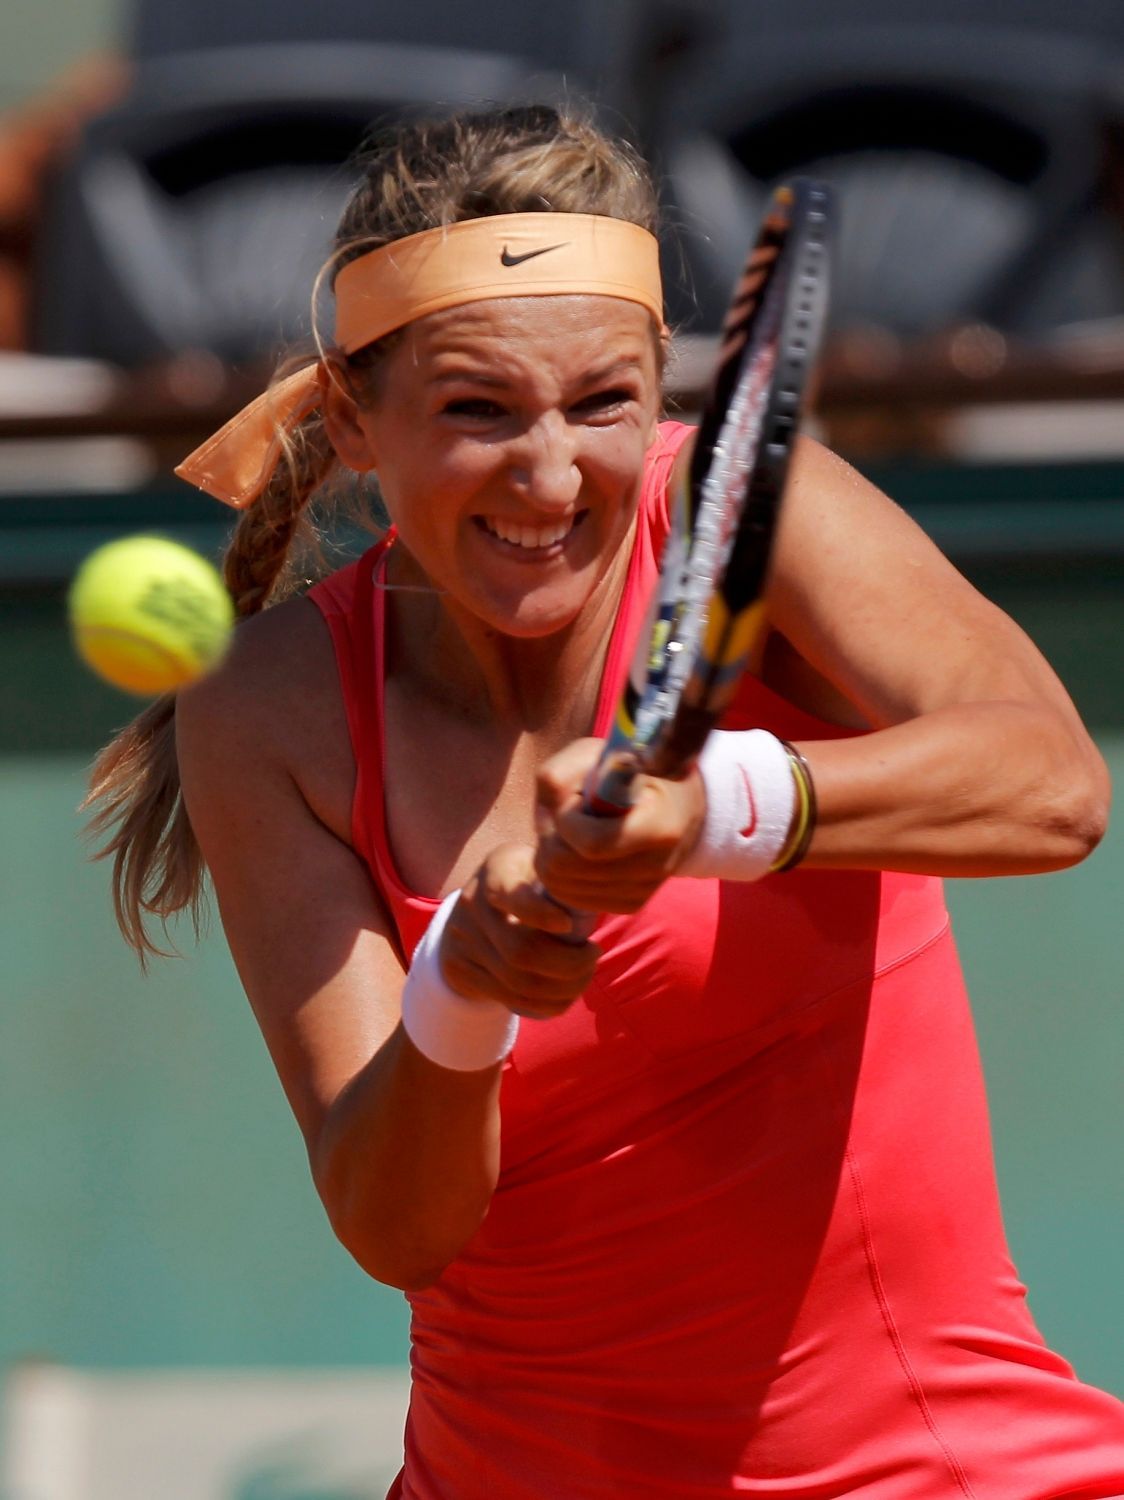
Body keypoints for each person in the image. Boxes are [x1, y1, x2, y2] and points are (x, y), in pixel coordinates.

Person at [86, 104, 1124, 1499]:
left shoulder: (753, 508)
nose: (552, 473)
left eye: (603, 403)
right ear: (353, 422)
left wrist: (711, 815)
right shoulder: (266, 707)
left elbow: (1050, 785)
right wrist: (466, 983)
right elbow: (398, 1224)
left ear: (660, 394)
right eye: (478, 411)